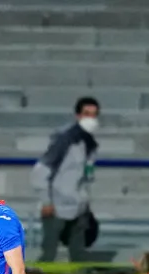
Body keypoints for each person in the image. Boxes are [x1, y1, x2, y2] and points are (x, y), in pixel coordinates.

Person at [31, 96, 100, 262]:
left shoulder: (90, 144)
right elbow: (40, 171)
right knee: (49, 254)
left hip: (79, 207)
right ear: (78, 116)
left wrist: (85, 202)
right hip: (56, 205)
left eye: (94, 114)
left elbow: (86, 176)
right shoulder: (64, 140)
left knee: (78, 255)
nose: (90, 118)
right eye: (86, 113)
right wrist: (46, 201)